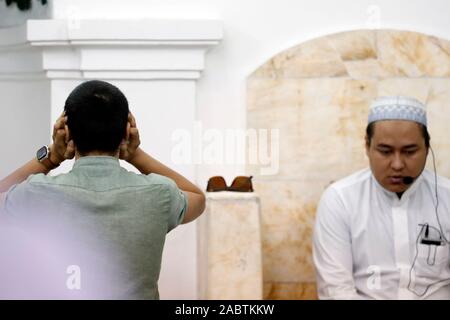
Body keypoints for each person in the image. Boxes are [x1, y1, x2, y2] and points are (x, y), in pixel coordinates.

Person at [0, 80, 206, 299]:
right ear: (126, 131)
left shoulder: (35, 193)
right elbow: (198, 198)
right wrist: (134, 154)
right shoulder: (159, 193)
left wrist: (51, 157)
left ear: (67, 132)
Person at [313, 96, 450, 300]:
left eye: (409, 151)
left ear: (427, 149)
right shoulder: (340, 200)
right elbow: (336, 291)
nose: (397, 164)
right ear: (367, 147)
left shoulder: (447, 196)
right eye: (385, 151)